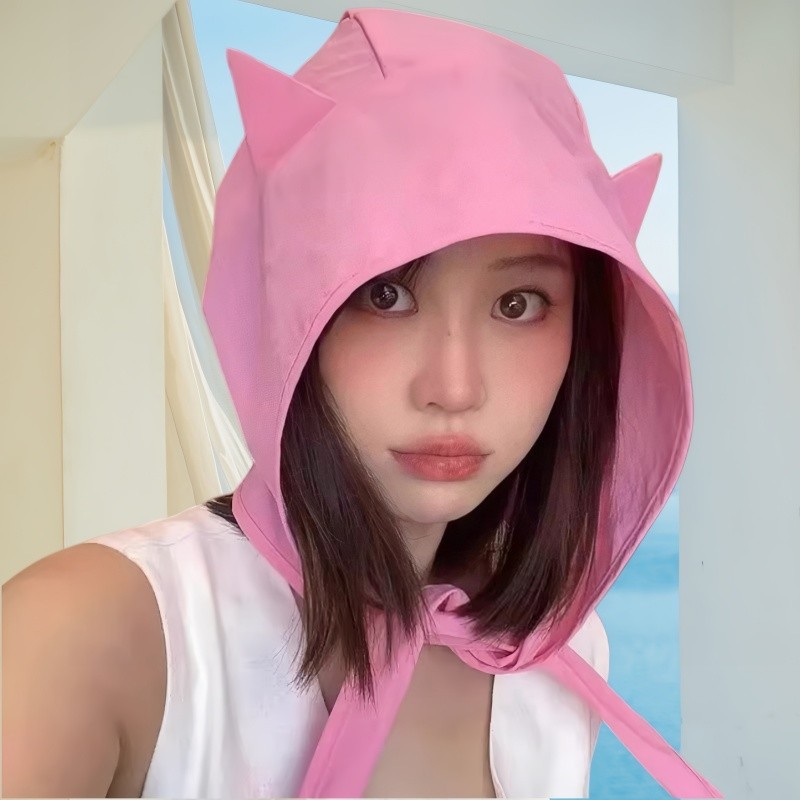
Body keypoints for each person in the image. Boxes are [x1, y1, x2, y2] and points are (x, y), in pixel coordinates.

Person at [2, 7, 723, 799]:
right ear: (287, 311)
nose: (454, 388)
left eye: (518, 304)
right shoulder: (90, 637)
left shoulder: (562, 654)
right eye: (386, 295)